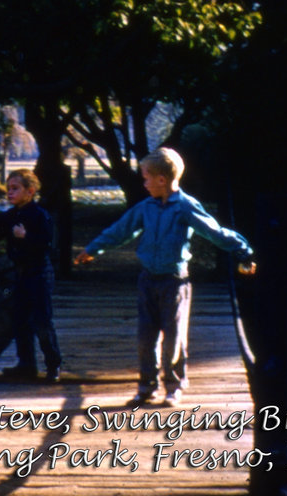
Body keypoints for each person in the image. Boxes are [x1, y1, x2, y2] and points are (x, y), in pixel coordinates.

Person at [74, 148, 255, 407]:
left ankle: (174, 385)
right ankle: (147, 385)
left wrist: (242, 250)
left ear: (161, 179)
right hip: (148, 280)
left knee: (174, 336)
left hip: (174, 281)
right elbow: (120, 231)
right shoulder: (145, 208)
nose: (144, 183)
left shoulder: (185, 207)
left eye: (147, 178)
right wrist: (92, 248)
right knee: (145, 337)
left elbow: (214, 232)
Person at [0, 168, 62, 383]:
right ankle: (26, 364)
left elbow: (46, 244)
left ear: (30, 191)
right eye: (8, 189)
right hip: (21, 275)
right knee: (20, 320)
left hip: (39, 273)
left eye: (15, 189)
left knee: (42, 321)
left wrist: (25, 237)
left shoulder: (39, 215)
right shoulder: (13, 214)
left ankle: (53, 365)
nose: (10, 193)